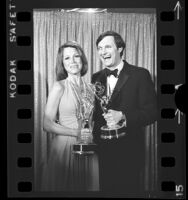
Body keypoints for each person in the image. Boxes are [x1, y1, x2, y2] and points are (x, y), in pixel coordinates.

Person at [91, 31, 157, 197]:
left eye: (107, 46)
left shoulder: (140, 74)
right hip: (103, 152)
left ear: (120, 48)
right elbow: (95, 115)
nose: (102, 51)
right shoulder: (96, 78)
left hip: (129, 152)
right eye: (99, 48)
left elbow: (152, 112)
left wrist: (123, 116)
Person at [41, 41, 99, 191]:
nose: (72, 61)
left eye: (76, 56)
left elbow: (91, 121)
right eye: (67, 58)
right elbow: (46, 124)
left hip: (87, 146)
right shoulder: (59, 86)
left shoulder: (92, 89)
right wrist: (76, 132)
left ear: (82, 60)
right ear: (62, 63)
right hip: (65, 148)